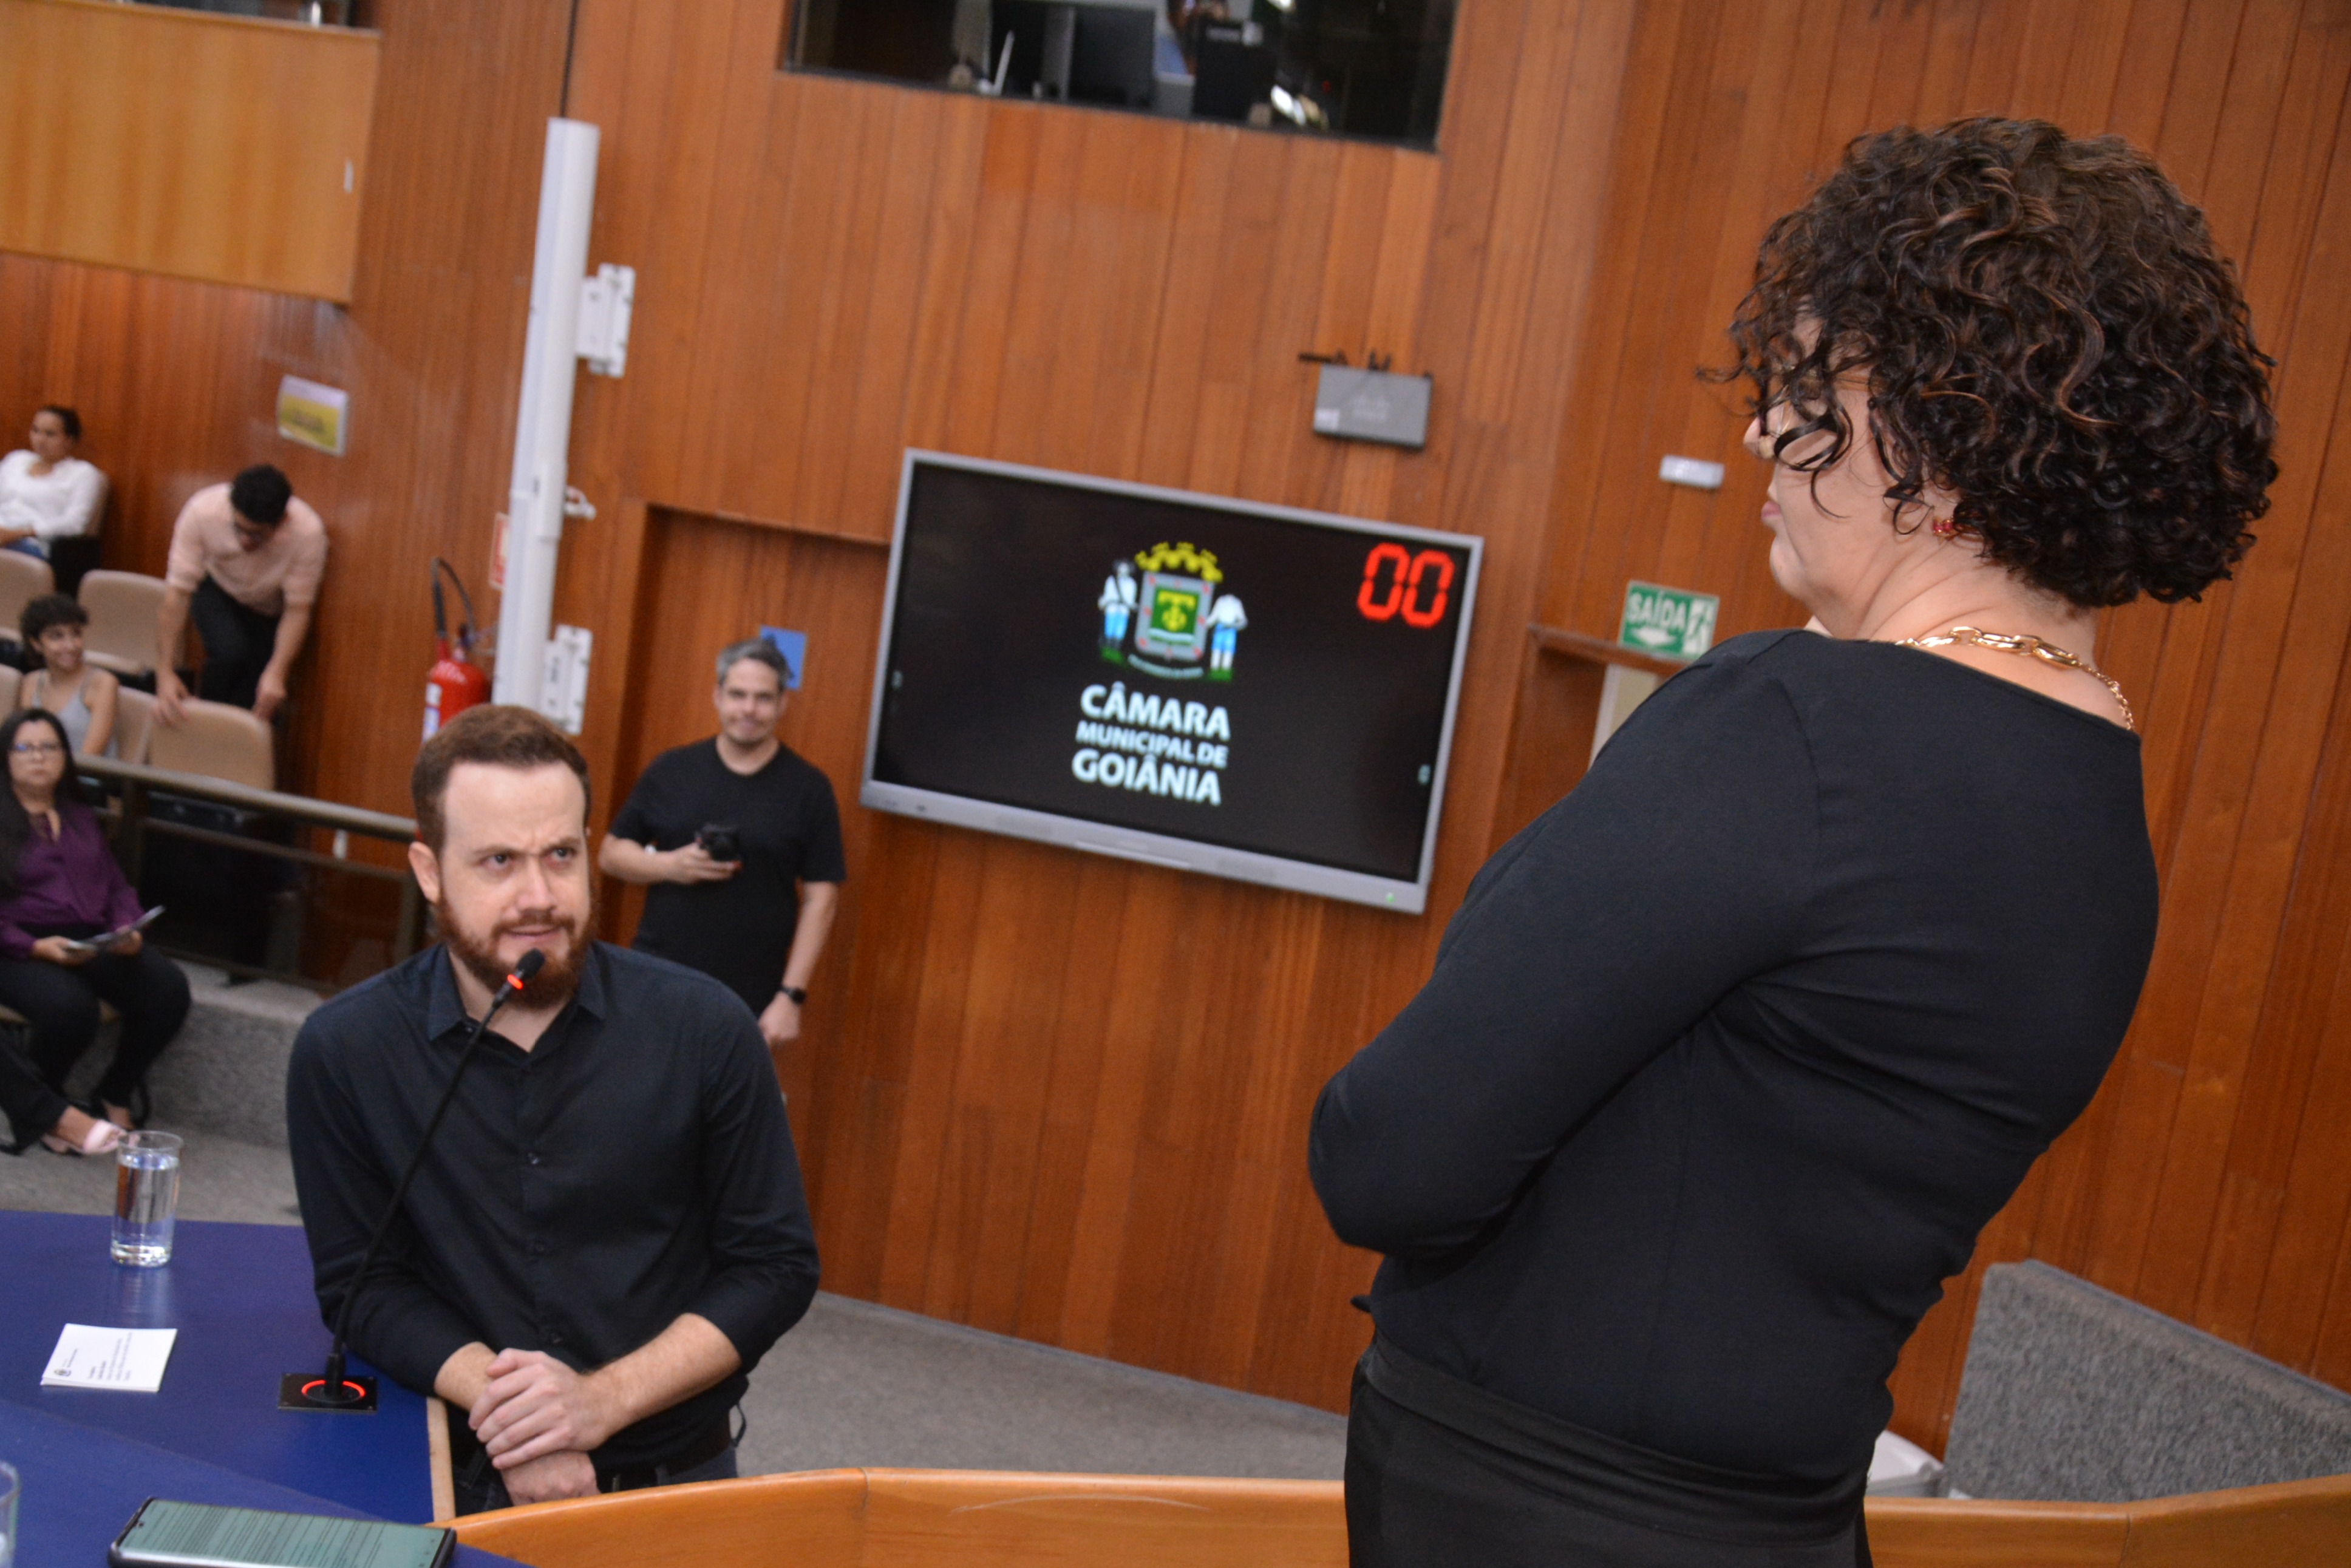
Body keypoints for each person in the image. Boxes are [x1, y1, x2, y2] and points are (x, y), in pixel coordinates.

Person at [1310, 118, 2277, 1568]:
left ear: (1944, 442)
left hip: (1535, 1518)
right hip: (1785, 1521)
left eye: (1816, 389)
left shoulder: (1792, 724)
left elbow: (1387, 1157)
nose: (1764, 428)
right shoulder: (2097, 815)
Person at [286, 705, 820, 1511]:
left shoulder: (707, 1028)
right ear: (429, 871)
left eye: (561, 855)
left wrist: (598, 1400)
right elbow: (363, 1285)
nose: (539, 896)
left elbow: (774, 1267)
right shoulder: (346, 1050)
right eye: (499, 860)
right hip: (449, 1476)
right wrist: (523, 1415)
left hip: (674, 1483)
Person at [599, 639, 845, 1051]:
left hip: (749, 998)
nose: (749, 709)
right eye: (737, 695)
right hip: (656, 981)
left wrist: (791, 996)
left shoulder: (809, 790)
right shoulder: (672, 770)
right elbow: (611, 854)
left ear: (782, 704)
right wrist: (670, 866)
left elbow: (823, 899)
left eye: (763, 698)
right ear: (717, 696)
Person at [0, 709, 188, 1156]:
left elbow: (115, 884)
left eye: (50, 747)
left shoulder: (79, 814)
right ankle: (50, 1108)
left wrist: (126, 926)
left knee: (167, 989)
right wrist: (35, 947)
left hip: (88, 937)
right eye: (26, 748)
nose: (39, 757)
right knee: (71, 1008)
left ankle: (114, 1092)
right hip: (16, 945)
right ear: (5, 758)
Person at [155, 464, 327, 725]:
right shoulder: (202, 511)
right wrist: (164, 673)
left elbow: (298, 610)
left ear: (283, 521)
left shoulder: (308, 533)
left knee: (257, 696)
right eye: (239, 529)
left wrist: (277, 672)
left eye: (257, 535)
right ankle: (200, 724)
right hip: (216, 586)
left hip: (267, 607)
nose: (245, 541)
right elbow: (177, 596)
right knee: (230, 652)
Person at [0, 406, 107, 561]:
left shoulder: (83, 474)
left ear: (69, 440)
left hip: (33, 544)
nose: (40, 440)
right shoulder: (16, 460)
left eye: (50, 434)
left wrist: (19, 533)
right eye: (36, 431)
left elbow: (74, 524)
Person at [19, 595, 121, 758]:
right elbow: (26, 742)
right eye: (57, 636)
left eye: (76, 634)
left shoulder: (103, 683)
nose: (71, 646)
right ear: (36, 644)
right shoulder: (31, 682)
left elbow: (90, 757)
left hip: (84, 772)